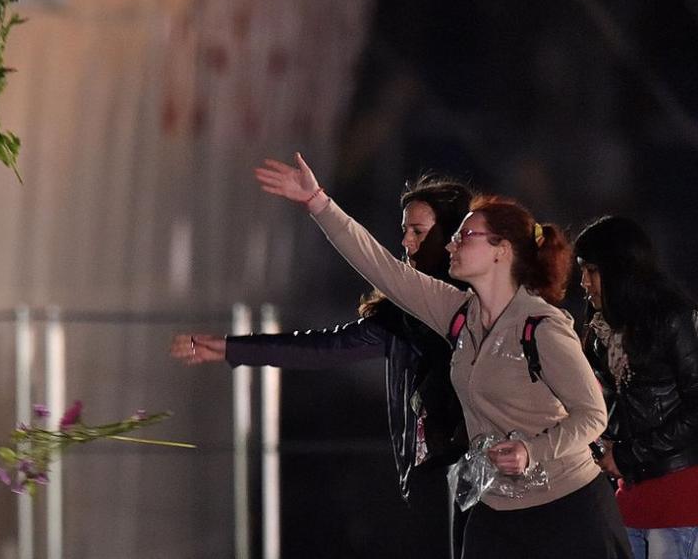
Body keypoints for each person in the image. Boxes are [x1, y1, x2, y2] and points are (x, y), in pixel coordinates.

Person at [249, 152, 630, 559]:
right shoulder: (457, 312)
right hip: (496, 511)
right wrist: (318, 203)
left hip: (567, 511)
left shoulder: (543, 326)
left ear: (501, 250)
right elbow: (382, 269)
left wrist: (530, 451)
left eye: (465, 237)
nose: (450, 243)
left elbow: (592, 416)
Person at [172, 176, 473, 558]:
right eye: (404, 231)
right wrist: (233, 348)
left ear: (451, 237)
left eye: (418, 231)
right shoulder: (401, 317)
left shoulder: (480, 310)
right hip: (430, 483)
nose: (406, 243)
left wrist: (319, 203)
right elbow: (326, 347)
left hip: (484, 481)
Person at [575, 216, 698, 559]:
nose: (584, 283)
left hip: (677, 497)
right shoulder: (601, 332)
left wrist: (629, 454)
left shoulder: (671, 318)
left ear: (620, 270)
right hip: (631, 493)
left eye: (592, 271)